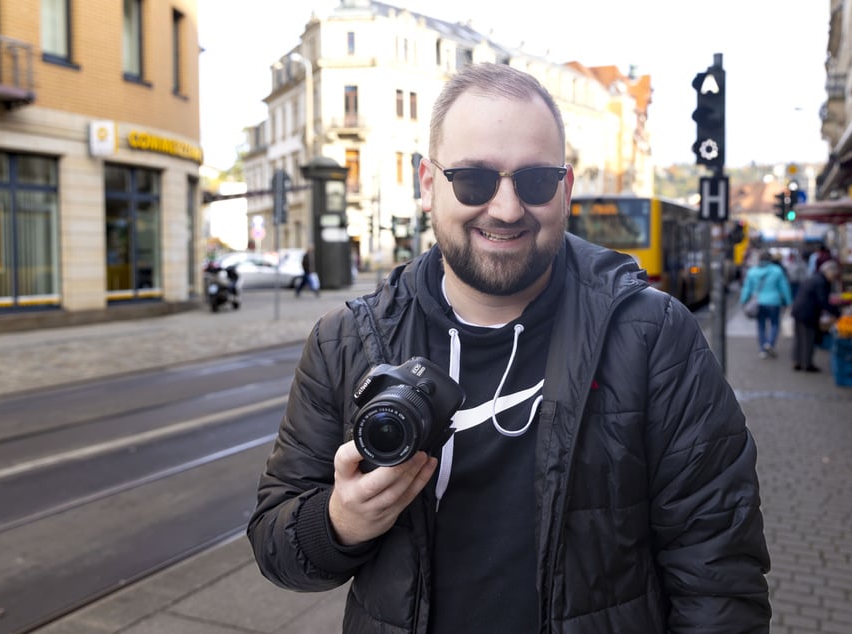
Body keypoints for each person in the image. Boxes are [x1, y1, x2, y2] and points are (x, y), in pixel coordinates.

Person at [247, 63, 771, 632]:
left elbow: (718, 569)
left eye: (535, 180)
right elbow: (276, 541)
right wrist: (339, 522)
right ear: (428, 184)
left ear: (565, 189)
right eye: (473, 179)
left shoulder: (653, 336)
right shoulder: (345, 340)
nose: (505, 208)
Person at [791, 259, 842, 372]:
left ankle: (797, 361)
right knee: (808, 338)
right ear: (828, 272)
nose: (833, 278)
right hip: (808, 312)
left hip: (799, 309)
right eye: (833, 275)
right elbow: (823, 301)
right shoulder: (821, 282)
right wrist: (838, 314)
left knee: (799, 337)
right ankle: (807, 364)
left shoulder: (814, 278)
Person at [740, 249, 792, 359]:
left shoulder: (752, 271)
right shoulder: (777, 270)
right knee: (774, 324)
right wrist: (788, 302)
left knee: (761, 325)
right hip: (774, 302)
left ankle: (762, 349)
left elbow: (746, 288)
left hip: (758, 302)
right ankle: (770, 343)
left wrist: (743, 301)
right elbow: (784, 287)